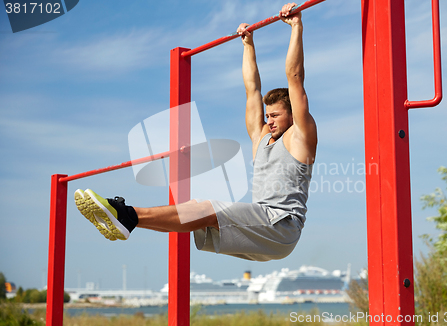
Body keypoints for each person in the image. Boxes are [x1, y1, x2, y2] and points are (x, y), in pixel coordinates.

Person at [74, 2, 317, 262]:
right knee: (196, 213)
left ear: (292, 115)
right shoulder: (261, 139)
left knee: (206, 208)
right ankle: (127, 221)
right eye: (267, 116)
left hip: (281, 225)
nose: (268, 121)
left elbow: (295, 77)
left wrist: (296, 27)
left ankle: (126, 214)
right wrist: (247, 46)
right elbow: (252, 90)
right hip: (262, 226)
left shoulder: (300, 136)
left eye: (275, 116)